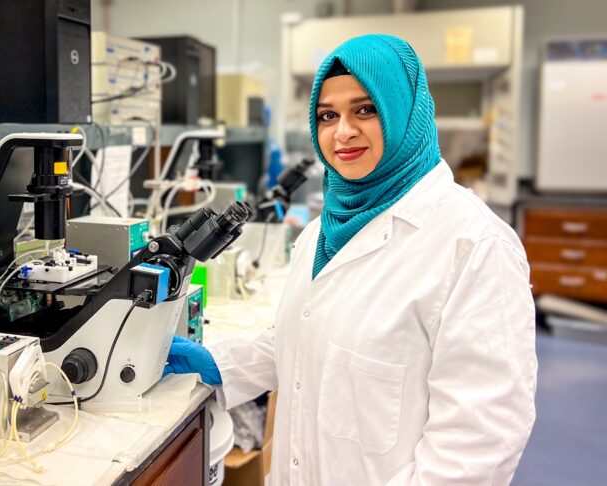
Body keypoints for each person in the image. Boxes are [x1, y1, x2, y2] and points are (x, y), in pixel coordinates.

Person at [164, 34, 537, 485]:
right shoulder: (325, 231)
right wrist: (221, 363)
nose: (342, 131)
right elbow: (311, 339)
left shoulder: (474, 246)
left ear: (406, 112)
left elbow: (480, 444)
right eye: (327, 115)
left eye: (366, 109)